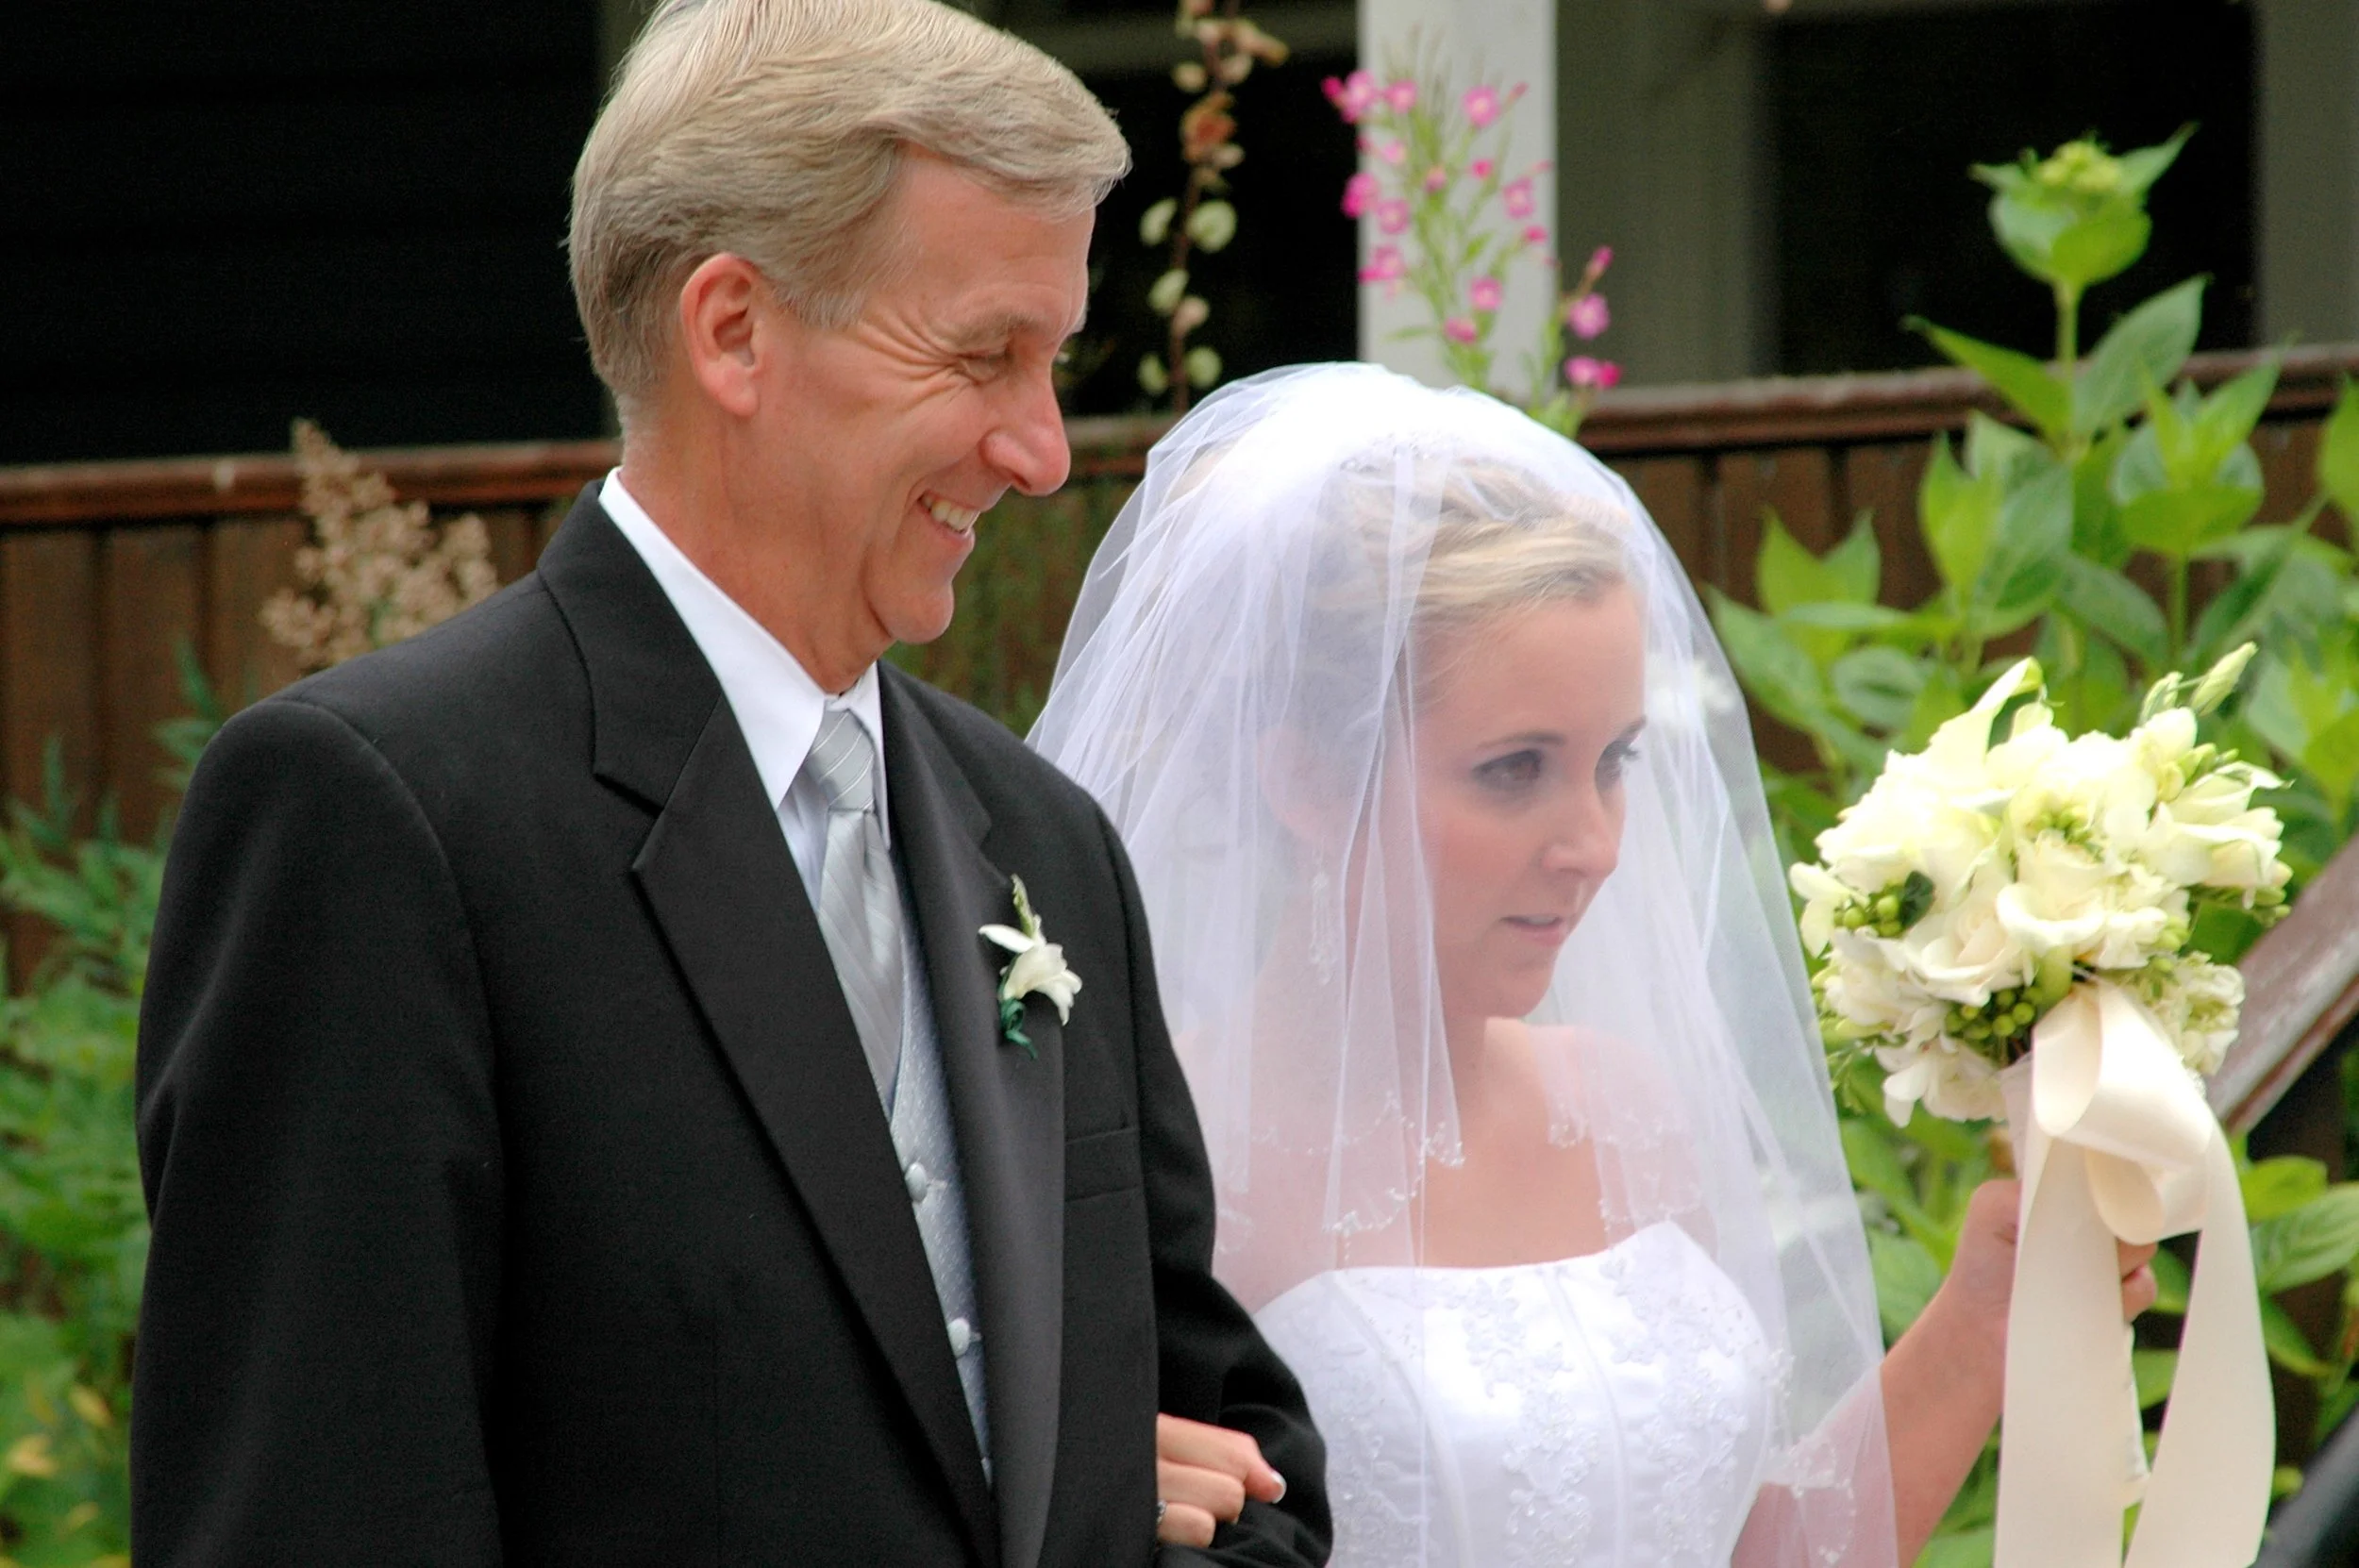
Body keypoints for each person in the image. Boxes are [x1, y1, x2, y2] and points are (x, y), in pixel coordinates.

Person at [130, 3, 1327, 1562]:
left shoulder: (1043, 841)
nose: (1041, 449)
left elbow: (1242, 1453)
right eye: (984, 355)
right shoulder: (383, 820)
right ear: (734, 331)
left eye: (1055, 363)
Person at [1031, 363, 2159, 1566]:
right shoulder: (1157, 1165)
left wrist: (1982, 1316)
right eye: (1514, 769)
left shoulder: (1619, 1108)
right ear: (1309, 779)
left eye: (1614, 760)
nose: (1595, 846)